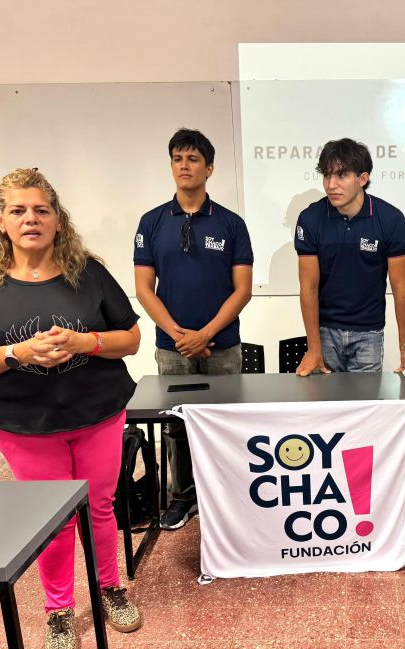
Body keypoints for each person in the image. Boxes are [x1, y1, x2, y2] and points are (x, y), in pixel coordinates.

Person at [0, 168, 143, 649]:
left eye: (41, 210)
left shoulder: (89, 275)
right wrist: (16, 353)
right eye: (18, 210)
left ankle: (110, 588)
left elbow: (131, 339)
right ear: (0, 221)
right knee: (53, 520)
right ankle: (59, 610)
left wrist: (85, 342)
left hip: (98, 413)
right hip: (25, 425)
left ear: (58, 219)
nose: (30, 219)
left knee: (100, 506)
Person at [134, 128, 253, 530]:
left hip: (222, 346)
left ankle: (228, 496)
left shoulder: (231, 224)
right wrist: (181, 336)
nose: (184, 166)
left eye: (193, 159)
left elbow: (242, 290)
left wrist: (205, 334)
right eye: (177, 159)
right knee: (176, 425)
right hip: (173, 348)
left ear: (210, 168)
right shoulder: (152, 222)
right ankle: (183, 497)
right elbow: (144, 289)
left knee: (225, 424)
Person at [294, 138, 405, 376]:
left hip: (369, 333)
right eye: (326, 175)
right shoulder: (310, 218)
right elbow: (308, 287)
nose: (331, 185)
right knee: (326, 400)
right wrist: (313, 348)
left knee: (365, 400)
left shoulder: (390, 219)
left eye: (341, 175)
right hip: (325, 331)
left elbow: (400, 287)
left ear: (362, 179)